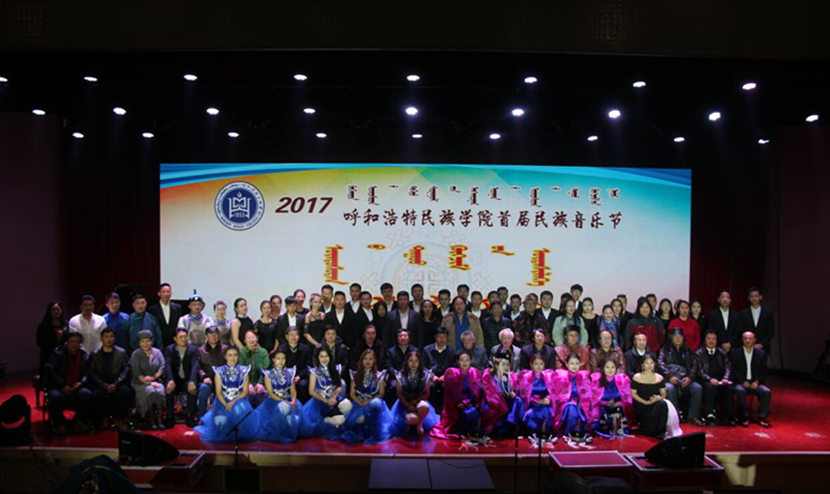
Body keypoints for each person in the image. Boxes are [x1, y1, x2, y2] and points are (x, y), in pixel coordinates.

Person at [194, 346, 259, 442]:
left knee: (240, 414)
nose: (233, 358)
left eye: (235, 355)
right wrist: (226, 404)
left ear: (238, 356)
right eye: (230, 355)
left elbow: (245, 392)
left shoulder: (244, 370)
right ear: (225, 357)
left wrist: (232, 402)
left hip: (239, 400)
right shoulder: (219, 371)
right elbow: (218, 392)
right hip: (222, 401)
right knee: (221, 424)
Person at [299, 347, 353, 439]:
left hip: (333, 398)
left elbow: (339, 386)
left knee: (348, 405)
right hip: (319, 401)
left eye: (326, 356)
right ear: (318, 358)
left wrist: (334, 397)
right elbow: (311, 391)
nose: (324, 359)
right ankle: (325, 421)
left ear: (330, 357)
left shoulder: (335, 369)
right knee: (339, 421)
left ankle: (333, 417)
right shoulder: (314, 372)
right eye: (322, 356)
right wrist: (326, 401)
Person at [45, 332, 92, 434]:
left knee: (86, 394)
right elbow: (51, 372)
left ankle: (78, 420)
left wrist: (81, 382)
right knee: (56, 396)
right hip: (59, 386)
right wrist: (62, 385)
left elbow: (88, 372)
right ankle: (59, 422)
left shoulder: (84, 355)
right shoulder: (58, 354)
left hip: (77, 386)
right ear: (67, 343)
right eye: (72, 342)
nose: (74, 344)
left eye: (77, 342)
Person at [343, 349, 392, 444]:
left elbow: (381, 394)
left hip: (373, 403)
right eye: (365, 358)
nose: (368, 361)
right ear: (361, 360)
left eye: (370, 359)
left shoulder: (379, 375)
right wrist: (360, 402)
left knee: (375, 404)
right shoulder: (355, 375)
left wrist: (368, 401)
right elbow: (352, 394)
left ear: (374, 361)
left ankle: (371, 431)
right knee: (353, 422)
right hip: (359, 403)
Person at [433, 351, 485, 441]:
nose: (464, 363)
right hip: (455, 404)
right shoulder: (452, 373)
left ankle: (472, 432)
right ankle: (463, 431)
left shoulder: (475, 373)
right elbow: (452, 394)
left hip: (470, 402)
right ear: (458, 362)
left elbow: (476, 392)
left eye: (467, 360)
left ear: (471, 361)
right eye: (462, 360)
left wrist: (467, 402)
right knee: (464, 414)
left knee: (473, 411)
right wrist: (461, 403)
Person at [88, 328, 133, 430]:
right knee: (96, 394)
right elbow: (91, 372)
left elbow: (126, 371)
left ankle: (118, 419)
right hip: (101, 384)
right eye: (106, 337)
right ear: (102, 338)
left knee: (125, 391)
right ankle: (103, 419)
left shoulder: (121, 353)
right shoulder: (94, 354)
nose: (109, 339)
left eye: (111, 336)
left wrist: (116, 384)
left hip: (117, 384)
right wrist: (103, 385)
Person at [658, 328, 704, 426]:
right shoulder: (664, 349)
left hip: (685, 378)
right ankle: (675, 416)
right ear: (671, 337)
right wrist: (670, 376)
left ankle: (693, 416)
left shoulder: (688, 350)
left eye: (680, 337)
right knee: (669, 388)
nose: (678, 339)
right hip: (670, 379)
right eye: (675, 336)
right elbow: (660, 364)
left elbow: (695, 365)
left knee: (697, 388)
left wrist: (690, 378)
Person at [390, 350, 438, 438]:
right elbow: (399, 394)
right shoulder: (400, 375)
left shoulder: (424, 375)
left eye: (416, 361)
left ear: (419, 363)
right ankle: (411, 425)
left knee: (424, 406)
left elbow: (427, 394)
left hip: (419, 401)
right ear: (407, 362)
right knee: (412, 419)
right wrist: (408, 405)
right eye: (411, 361)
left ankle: (420, 424)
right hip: (405, 404)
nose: (413, 363)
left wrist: (416, 401)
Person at [631, 355, 682, 438]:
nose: (649, 365)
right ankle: (648, 429)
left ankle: (660, 433)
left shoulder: (659, 377)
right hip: (641, 403)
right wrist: (646, 402)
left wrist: (658, 398)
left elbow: (663, 394)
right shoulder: (636, 377)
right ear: (642, 365)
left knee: (663, 404)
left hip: (655, 402)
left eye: (651, 363)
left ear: (654, 364)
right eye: (646, 363)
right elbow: (633, 394)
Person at [257, 350, 300, 443]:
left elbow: (293, 390)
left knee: (296, 419)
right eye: (278, 359)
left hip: (288, 399)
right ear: (274, 360)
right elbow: (271, 393)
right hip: (273, 401)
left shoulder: (290, 372)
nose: (281, 361)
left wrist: (293, 401)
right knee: (284, 408)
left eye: (283, 359)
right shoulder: (268, 374)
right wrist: (287, 403)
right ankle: (275, 426)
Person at [730, 331, 772, 428]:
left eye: (750, 339)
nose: (747, 341)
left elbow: (764, 371)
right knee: (739, 390)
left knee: (766, 391)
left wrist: (757, 382)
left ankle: (762, 417)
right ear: (742, 340)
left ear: (754, 340)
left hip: (755, 382)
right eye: (745, 338)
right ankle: (744, 416)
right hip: (741, 382)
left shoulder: (761, 354)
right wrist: (742, 381)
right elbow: (733, 371)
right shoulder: (735, 353)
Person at [516, 354, 557, 448]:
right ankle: (533, 435)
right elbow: (524, 395)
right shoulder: (526, 377)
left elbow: (553, 392)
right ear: (531, 365)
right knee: (531, 414)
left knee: (547, 411)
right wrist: (537, 401)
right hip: (532, 404)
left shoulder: (548, 376)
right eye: (536, 364)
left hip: (545, 404)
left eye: (541, 364)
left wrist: (549, 399)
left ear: (544, 365)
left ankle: (545, 436)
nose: (539, 367)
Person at [694, 331, 734, 426]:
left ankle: (729, 416)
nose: (711, 341)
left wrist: (725, 378)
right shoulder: (698, 353)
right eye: (709, 338)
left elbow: (728, 367)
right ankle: (710, 415)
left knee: (729, 388)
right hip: (705, 380)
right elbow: (699, 371)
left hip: (720, 380)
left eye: (713, 339)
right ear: (705, 340)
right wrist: (710, 379)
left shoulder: (722, 352)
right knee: (709, 387)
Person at [130, 330, 167, 430]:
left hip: (156, 381)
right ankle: (152, 420)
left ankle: (159, 419)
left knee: (160, 391)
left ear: (152, 341)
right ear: (139, 343)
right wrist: (150, 383)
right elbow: (137, 373)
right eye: (143, 341)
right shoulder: (136, 354)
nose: (145, 344)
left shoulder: (157, 352)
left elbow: (162, 366)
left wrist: (155, 377)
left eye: (148, 341)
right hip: (140, 383)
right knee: (150, 392)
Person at [164, 328, 200, 427]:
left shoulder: (193, 349)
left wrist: (192, 381)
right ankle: (170, 416)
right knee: (168, 388)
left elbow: (195, 365)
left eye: (185, 337)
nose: (183, 339)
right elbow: (167, 365)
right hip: (175, 379)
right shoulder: (169, 349)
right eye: (180, 337)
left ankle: (190, 416)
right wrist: (170, 380)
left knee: (193, 388)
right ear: (175, 339)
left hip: (187, 379)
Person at [554, 353, 593, 444]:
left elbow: (588, 394)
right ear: (567, 364)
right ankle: (569, 433)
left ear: (580, 364)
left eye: (577, 363)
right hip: (565, 405)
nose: (574, 366)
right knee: (571, 407)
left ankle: (580, 433)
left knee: (577, 408)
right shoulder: (561, 376)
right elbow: (558, 396)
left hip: (581, 405)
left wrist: (582, 402)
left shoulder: (584, 376)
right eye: (572, 363)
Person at [481, 351, 521, 437]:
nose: (506, 367)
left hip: (506, 402)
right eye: (503, 364)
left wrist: (512, 393)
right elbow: (490, 394)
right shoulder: (489, 377)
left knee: (518, 400)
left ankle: (511, 424)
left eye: (507, 365)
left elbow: (513, 390)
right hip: (494, 404)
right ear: (496, 365)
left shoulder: (509, 377)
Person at [590, 359, 633, 439]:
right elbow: (593, 400)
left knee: (617, 410)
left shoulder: (622, 380)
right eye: (607, 367)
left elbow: (627, 398)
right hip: (602, 410)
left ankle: (618, 429)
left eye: (612, 367)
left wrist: (620, 403)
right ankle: (607, 430)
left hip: (618, 410)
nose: (610, 370)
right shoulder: (596, 380)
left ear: (616, 368)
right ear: (603, 368)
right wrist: (605, 403)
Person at [197, 326, 228, 417]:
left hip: (222, 378)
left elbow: (230, 365)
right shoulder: (201, 350)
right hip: (208, 378)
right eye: (211, 334)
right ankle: (202, 415)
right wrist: (204, 377)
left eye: (216, 334)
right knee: (204, 388)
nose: (214, 336)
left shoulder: (225, 349)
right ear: (206, 336)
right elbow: (198, 367)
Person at [276, 326, 312, 403]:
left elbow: (308, 366)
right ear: (286, 336)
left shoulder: (306, 349)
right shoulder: (281, 349)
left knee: (303, 385)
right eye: (291, 335)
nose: (293, 337)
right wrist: (289, 377)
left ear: (299, 336)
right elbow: (279, 366)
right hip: (285, 376)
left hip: (301, 376)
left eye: (296, 335)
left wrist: (299, 376)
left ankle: (302, 406)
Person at [422, 326, 453, 410]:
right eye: (439, 337)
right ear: (435, 337)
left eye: (444, 337)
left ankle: (444, 410)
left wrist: (445, 376)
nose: (442, 339)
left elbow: (452, 367)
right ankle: (431, 410)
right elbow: (423, 366)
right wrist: (432, 376)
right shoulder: (427, 349)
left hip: (445, 377)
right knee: (430, 386)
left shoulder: (451, 350)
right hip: (430, 376)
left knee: (446, 386)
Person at [738, 287, 775, 356]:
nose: (754, 298)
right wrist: (750, 343)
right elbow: (741, 330)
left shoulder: (767, 312)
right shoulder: (743, 313)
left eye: (756, 296)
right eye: (751, 296)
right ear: (748, 298)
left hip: (763, 348)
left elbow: (771, 331)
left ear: (760, 297)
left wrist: (761, 344)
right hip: (748, 347)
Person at [37, 299, 67, 378]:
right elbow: (39, 342)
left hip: (63, 357)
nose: (56, 312)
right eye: (53, 310)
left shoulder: (66, 324)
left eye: (58, 309)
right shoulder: (44, 326)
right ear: (49, 311)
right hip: (48, 356)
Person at [238, 331, 270, 407]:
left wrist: (260, 383)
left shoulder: (263, 352)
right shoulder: (241, 352)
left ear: (257, 339)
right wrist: (248, 384)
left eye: (253, 337)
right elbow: (241, 370)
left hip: (261, 383)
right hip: (245, 383)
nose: (251, 340)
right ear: (245, 340)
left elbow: (265, 369)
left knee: (262, 395)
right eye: (248, 338)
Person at [147, 283, 182, 348]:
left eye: (168, 292)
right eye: (164, 292)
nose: (166, 294)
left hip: (174, 343)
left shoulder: (177, 308)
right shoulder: (152, 309)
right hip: (158, 343)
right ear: (159, 294)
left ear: (171, 293)